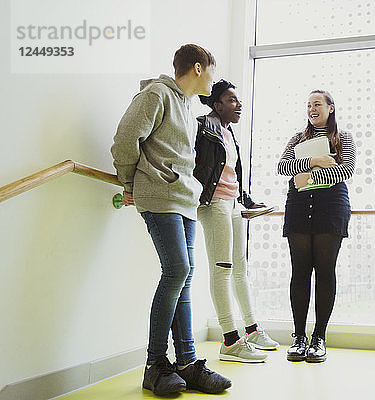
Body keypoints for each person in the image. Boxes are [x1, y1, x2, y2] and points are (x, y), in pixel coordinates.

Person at [111, 44, 232, 396]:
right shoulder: (156, 94)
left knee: (184, 276)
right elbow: (125, 139)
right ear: (198, 68)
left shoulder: (186, 104)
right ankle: (154, 364)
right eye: (212, 69)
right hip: (159, 197)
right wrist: (129, 181)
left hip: (184, 200)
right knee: (177, 271)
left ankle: (187, 363)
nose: (213, 77)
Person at [195, 79, 279, 363]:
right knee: (222, 270)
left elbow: (231, 173)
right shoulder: (203, 127)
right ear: (217, 105)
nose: (238, 104)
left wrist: (247, 199)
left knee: (240, 268)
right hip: (214, 204)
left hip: (232, 204)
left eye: (238, 100)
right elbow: (198, 168)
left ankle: (252, 329)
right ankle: (230, 340)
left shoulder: (229, 133)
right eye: (231, 100)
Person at [277, 90, 356, 363]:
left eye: (317, 104)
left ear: (330, 108)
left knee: (325, 270)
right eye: (308, 104)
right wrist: (315, 160)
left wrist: (307, 178)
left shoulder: (343, 137)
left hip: (331, 206)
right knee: (300, 271)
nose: (312, 109)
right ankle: (299, 337)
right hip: (298, 207)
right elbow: (283, 166)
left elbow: (346, 170)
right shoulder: (296, 139)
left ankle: (318, 337)